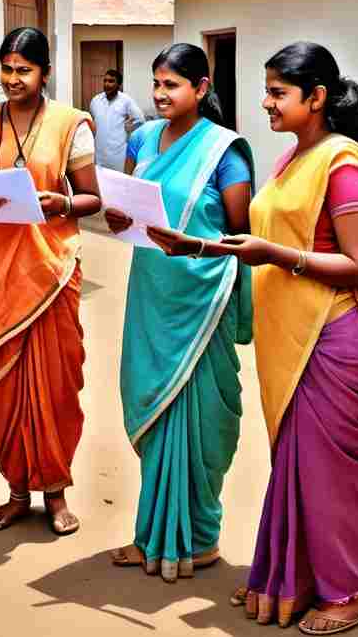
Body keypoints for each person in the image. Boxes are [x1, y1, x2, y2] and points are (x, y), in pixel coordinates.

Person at [151, 42, 358, 633]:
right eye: (267, 90)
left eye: (278, 92)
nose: (265, 102)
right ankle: (296, 578)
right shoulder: (294, 157)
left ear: (316, 98)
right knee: (297, 464)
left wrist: (274, 255)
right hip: (288, 336)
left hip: (329, 336)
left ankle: (348, 591)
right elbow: (260, 240)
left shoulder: (341, 164)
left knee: (331, 469)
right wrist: (200, 246)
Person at [104, 43, 253, 583]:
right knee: (153, 406)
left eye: (173, 85)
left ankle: (199, 537)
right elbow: (125, 205)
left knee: (205, 417)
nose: (162, 94)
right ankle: (154, 537)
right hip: (151, 293)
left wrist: (190, 246)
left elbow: (240, 235)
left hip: (203, 297)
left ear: (202, 88)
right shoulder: (142, 138)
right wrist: (118, 217)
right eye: (157, 83)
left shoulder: (225, 152)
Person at [0, 27, 101, 535]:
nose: (13, 79)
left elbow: (92, 197)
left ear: (45, 72)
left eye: (24, 70)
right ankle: (16, 492)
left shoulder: (71, 124)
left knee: (55, 384)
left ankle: (56, 492)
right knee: (1, 386)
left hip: (51, 267)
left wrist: (61, 202)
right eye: (7, 69)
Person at [89, 68, 144, 170]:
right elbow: (93, 121)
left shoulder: (126, 100)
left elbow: (140, 120)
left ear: (119, 85)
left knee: (118, 182)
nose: (107, 84)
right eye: (105, 81)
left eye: (111, 81)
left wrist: (130, 131)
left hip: (118, 155)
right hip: (99, 154)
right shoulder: (96, 101)